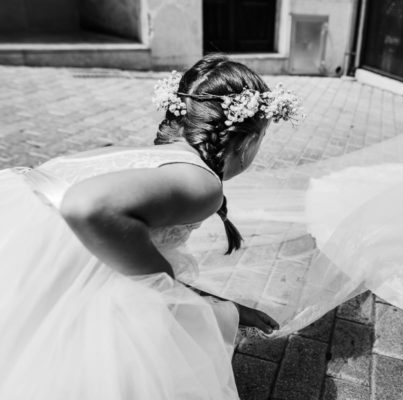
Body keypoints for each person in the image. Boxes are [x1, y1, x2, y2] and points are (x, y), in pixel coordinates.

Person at [0, 54, 303, 399]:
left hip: (19, 250)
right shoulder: (204, 185)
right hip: (54, 266)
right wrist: (163, 285)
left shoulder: (143, 154)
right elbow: (87, 207)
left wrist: (207, 300)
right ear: (249, 142)